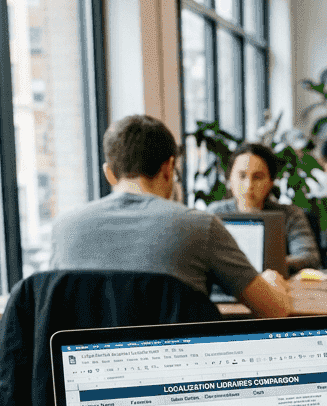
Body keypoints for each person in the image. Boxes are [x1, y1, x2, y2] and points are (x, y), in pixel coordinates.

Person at [51, 114, 290, 318]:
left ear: (109, 173)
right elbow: (274, 310)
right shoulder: (199, 226)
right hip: (175, 358)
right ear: (169, 168)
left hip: (87, 359)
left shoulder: (64, 227)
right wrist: (271, 281)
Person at [206, 142, 322, 274]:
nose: (249, 185)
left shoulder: (290, 214)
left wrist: (264, 265)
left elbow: (309, 257)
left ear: (271, 182)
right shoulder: (214, 213)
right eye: (242, 176)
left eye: (257, 177)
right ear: (229, 178)